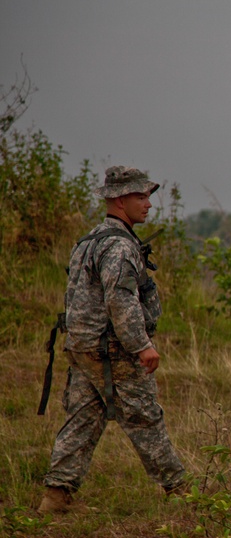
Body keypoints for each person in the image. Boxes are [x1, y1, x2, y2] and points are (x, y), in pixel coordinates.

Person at [38, 166, 187, 514]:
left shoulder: (89, 240)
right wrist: (141, 345)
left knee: (82, 419)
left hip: (83, 348)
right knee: (145, 418)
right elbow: (120, 300)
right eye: (141, 196)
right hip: (113, 351)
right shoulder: (119, 246)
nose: (149, 203)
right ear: (119, 200)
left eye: (148, 195)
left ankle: (56, 496)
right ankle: (181, 492)